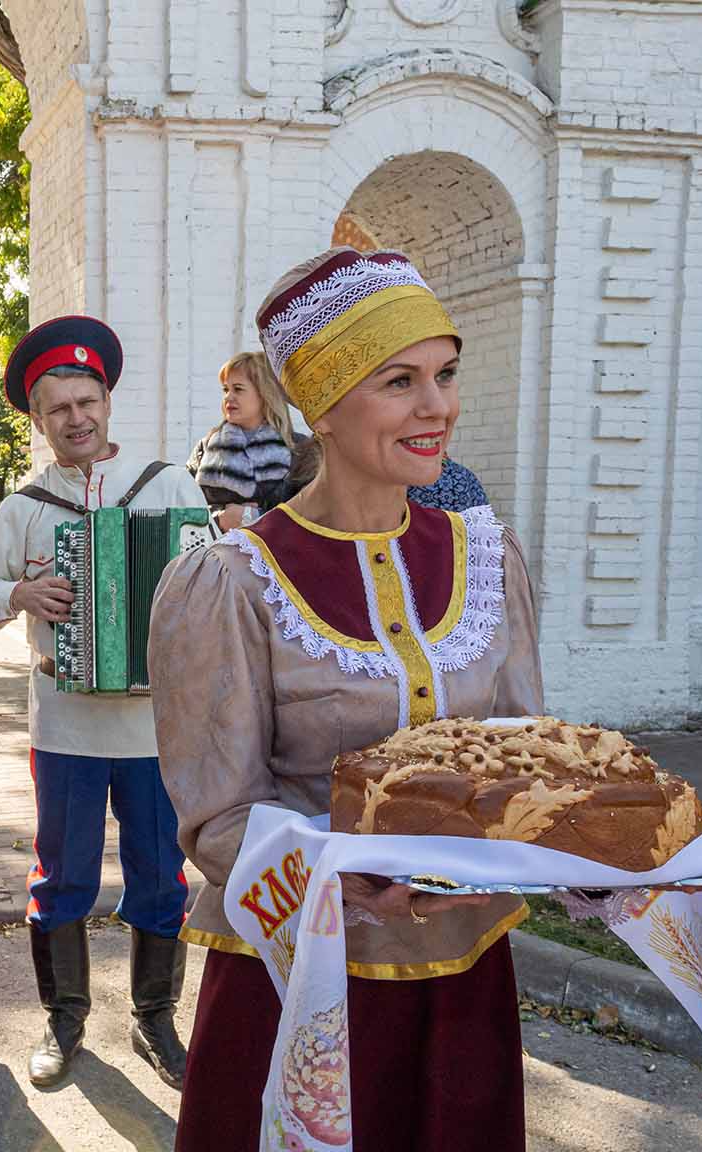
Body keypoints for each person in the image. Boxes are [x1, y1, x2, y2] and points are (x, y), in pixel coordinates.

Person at [149, 247, 544, 1152]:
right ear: (323, 407)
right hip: (294, 977)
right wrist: (350, 878)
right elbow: (216, 818)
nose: (437, 406)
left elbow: (528, 753)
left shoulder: (487, 556)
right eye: (399, 381)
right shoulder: (233, 581)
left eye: (444, 375)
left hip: (463, 971)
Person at [0, 316, 206, 1090]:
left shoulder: (167, 486)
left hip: (153, 727)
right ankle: (64, 1022)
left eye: (87, 400)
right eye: (59, 407)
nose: (77, 419)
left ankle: (154, 1020)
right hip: (63, 725)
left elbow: (213, 585)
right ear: (39, 420)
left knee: (161, 873)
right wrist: (19, 591)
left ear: (106, 401)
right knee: (61, 875)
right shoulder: (25, 508)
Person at [186, 351, 300, 532]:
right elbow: (184, 509)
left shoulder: (300, 451)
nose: (228, 397)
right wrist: (219, 518)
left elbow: (314, 516)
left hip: (275, 556)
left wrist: (255, 517)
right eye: (226, 389)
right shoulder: (205, 448)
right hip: (216, 554)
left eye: (238, 389)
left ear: (265, 393)